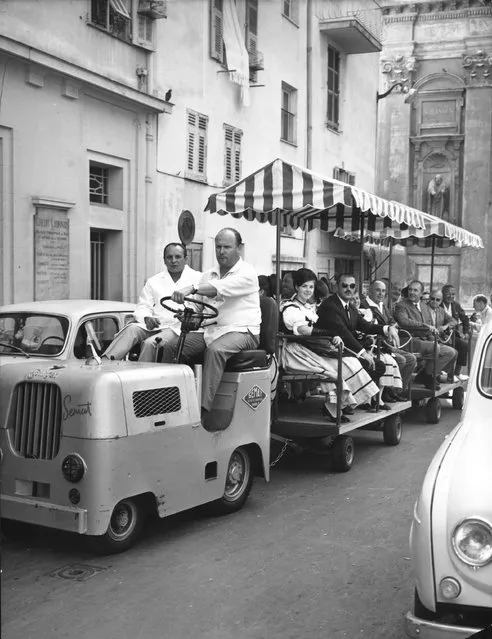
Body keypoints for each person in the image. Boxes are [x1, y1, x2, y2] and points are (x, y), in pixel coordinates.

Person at [163, 228, 261, 419]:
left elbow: (219, 289)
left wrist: (191, 288)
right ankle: (169, 402)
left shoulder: (248, 273)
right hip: (211, 331)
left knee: (216, 351)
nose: (221, 251)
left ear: (239, 248)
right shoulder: (208, 275)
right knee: (171, 346)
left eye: (227, 247)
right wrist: (187, 315)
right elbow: (200, 309)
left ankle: (201, 411)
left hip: (243, 331)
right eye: (218, 247)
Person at [279, 269, 379, 423]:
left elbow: (318, 330)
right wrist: (330, 334)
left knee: (349, 362)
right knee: (330, 373)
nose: (308, 291)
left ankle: (345, 403)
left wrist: (332, 336)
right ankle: (333, 408)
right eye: (304, 286)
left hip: (312, 348)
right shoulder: (290, 308)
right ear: (297, 286)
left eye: (311, 287)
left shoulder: (309, 308)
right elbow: (303, 330)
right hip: (295, 352)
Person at [102, 242, 202, 361]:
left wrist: (187, 315)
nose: (173, 261)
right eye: (169, 257)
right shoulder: (154, 281)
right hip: (156, 325)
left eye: (178, 257)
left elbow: (200, 308)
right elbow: (143, 306)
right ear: (164, 260)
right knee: (131, 330)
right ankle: (104, 362)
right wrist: (146, 318)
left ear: (186, 259)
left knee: (151, 343)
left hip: (178, 328)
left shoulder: (198, 279)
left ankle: (143, 377)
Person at [315, 273, 401, 408]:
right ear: (337, 287)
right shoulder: (330, 305)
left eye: (352, 286)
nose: (349, 289)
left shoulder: (349, 306)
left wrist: (387, 328)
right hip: (327, 352)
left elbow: (366, 326)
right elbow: (343, 332)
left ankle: (357, 401)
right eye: (344, 286)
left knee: (378, 365)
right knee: (370, 364)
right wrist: (363, 353)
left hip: (342, 349)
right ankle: (341, 405)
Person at [394, 280, 457, 389]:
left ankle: (425, 374)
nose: (412, 292)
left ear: (421, 293)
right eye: (410, 289)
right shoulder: (402, 305)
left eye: (415, 290)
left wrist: (432, 336)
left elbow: (430, 325)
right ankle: (428, 377)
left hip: (425, 341)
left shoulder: (424, 306)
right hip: (408, 340)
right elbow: (404, 322)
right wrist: (425, 326)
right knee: (434, 347)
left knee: (450, 352)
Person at [360, 280, 417, 400]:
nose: (381, 293)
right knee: (401, 360)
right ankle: (385, 391)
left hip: (387, 343)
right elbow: (370, 328)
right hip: (376, 345)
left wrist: (393, 328)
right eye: (377, 290)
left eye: (383, 291)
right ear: (370, 290)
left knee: (411, 359)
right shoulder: (364, 306)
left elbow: (391, 321)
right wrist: (388, 330)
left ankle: (396, 391)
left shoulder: (382, 305)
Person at [426, 289, 460, 383]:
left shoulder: (441, 310)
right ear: (429, 298)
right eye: (432, 299)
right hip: (427, 338)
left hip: (438, 339)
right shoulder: (423, 309)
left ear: (441, 301)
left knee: (455, 353)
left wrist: (446, 326)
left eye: (438, 300)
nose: (434, 301)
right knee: (450, 352)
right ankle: (428, 375)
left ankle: (437, 373)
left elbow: (454, 321)